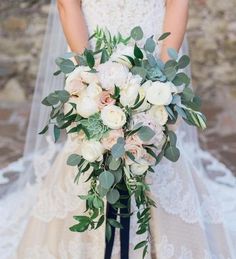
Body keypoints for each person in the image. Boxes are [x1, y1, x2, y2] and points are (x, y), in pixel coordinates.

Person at [0, 0, 235, 258]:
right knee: (90, 142)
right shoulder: (88, 68)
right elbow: (68, 5)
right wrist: (87, 77)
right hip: (92, 48)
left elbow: (177, 3)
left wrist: (163, 79)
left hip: (150, 50)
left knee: (155, 142)